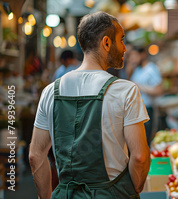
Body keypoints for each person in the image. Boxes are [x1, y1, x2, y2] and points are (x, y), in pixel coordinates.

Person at [29, 11, 151, 199]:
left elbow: (36, 155)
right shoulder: (126, 91)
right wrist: (132, 191)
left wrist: (46, 197)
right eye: (121, 40)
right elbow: (140, 157)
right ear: (106, 43)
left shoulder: (50, 92)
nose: (125, 48)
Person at [126, 47, 163, 145]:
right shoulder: (136, 69)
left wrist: (139, 86)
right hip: (135, 109)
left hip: (147, 109)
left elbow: (159, 90)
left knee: (145, 140)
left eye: (135, 55)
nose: (133, 58)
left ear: (143, 54)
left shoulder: (151, 69)